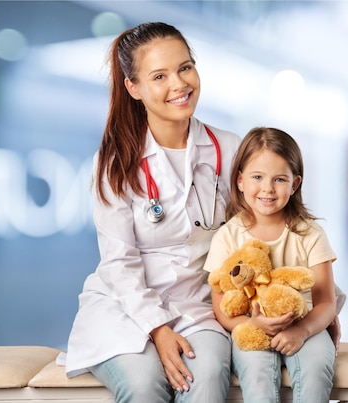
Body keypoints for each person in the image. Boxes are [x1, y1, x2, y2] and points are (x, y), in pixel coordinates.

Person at [61, 22, 242, 403]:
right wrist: (157, 328)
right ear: (134, 87)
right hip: (124, 307)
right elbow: (119, 262)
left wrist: (319, 300)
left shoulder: (229, 149)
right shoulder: (114, 161)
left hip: (199, 305)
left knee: (206, 377)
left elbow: (268, 226)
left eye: (185, 67)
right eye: (159, 76)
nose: (179, 84)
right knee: (144, 386)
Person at [203, 127, 339, 403]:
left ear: (295, 184)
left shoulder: (310, 234)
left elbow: (326, 303)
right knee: (257, 373)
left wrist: (301, 330)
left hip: (306, 324)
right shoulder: (227, 236)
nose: (267, 188)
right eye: (257, 177)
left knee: (316, 369)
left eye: (279, 179)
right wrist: (252, 324)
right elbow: (220, 307)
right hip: (251, 326)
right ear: (240, 181)